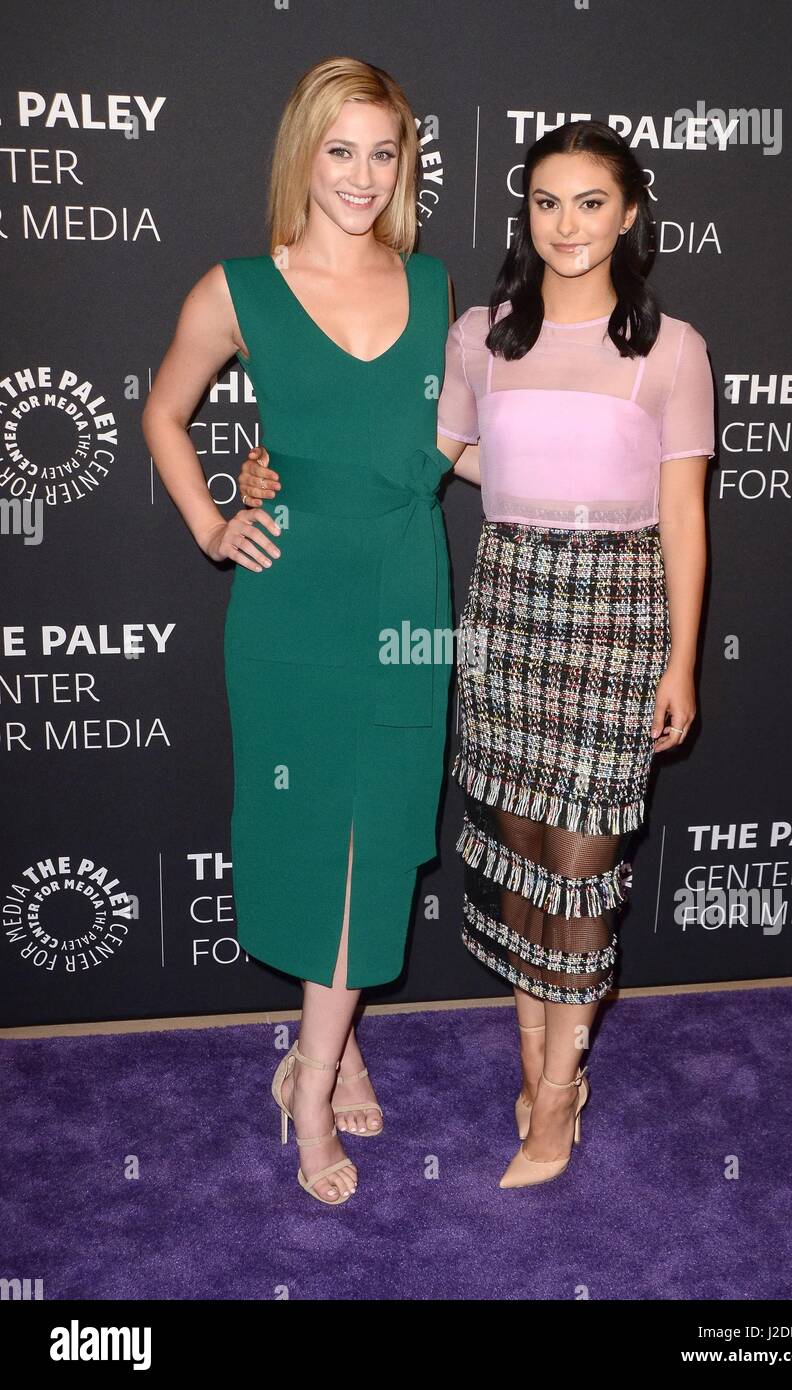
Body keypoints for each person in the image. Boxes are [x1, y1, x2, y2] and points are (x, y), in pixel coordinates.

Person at [237, 118, 714, 1190]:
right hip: (503, 610)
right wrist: (280, 470)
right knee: (514, 855)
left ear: (629, 213)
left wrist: (680, 662)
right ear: (524, 215)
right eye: (546, 203)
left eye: (591, 202)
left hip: (616, 614)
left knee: (583, 863)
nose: (567, 225)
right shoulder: (480, 337)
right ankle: (532, 1056)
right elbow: (414, 463)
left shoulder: (672, 349)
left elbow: (683, 518)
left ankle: (557, 1096)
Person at [142, 56, 474, 1206]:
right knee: (310, 833)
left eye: (383, 152)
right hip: (288, 602)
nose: (362, 174)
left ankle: (316, 1055)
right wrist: (209, 521)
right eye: (341, 150)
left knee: (377, 834)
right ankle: (313, 1074)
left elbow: (457, 446)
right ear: (303, 154)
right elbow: (162, 408)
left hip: (407, 592)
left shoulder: (434, 287)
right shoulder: (238, 287)